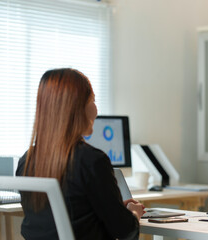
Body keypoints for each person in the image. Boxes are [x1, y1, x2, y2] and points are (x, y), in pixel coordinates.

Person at [16, 68, 144, 240]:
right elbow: (124, 231)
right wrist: (133, 214)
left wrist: (112, 209)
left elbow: (59, 220)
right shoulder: (92, 161)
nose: (96, 110)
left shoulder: (27, 161)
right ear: (76, 108)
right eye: (93, 100)